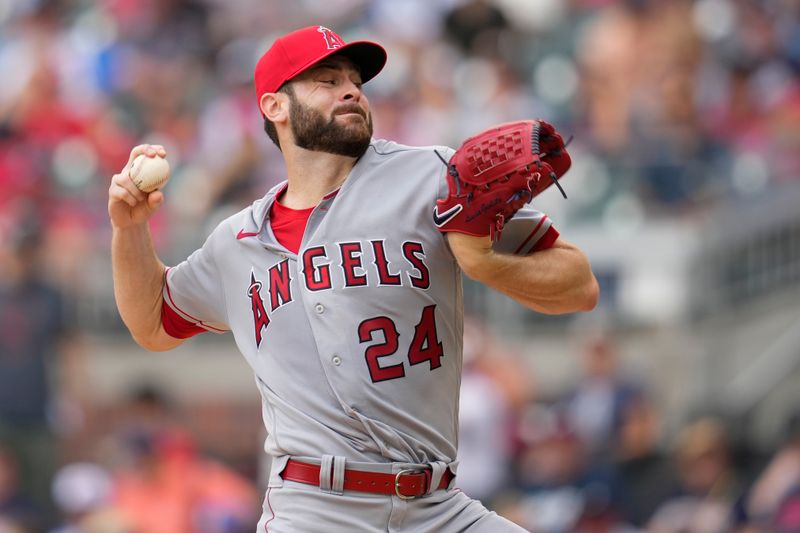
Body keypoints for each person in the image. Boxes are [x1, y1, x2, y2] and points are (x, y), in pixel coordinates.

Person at [107, 25, 598, 532]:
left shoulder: (430, 176)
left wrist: (486, 263)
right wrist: (129, 230)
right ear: (274, 107)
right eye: (326, 79)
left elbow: (580, 284)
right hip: (314, 510)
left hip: (439, 508)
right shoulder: (236, 243)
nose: (351, 90)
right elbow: (153, 323)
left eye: (354, 80)